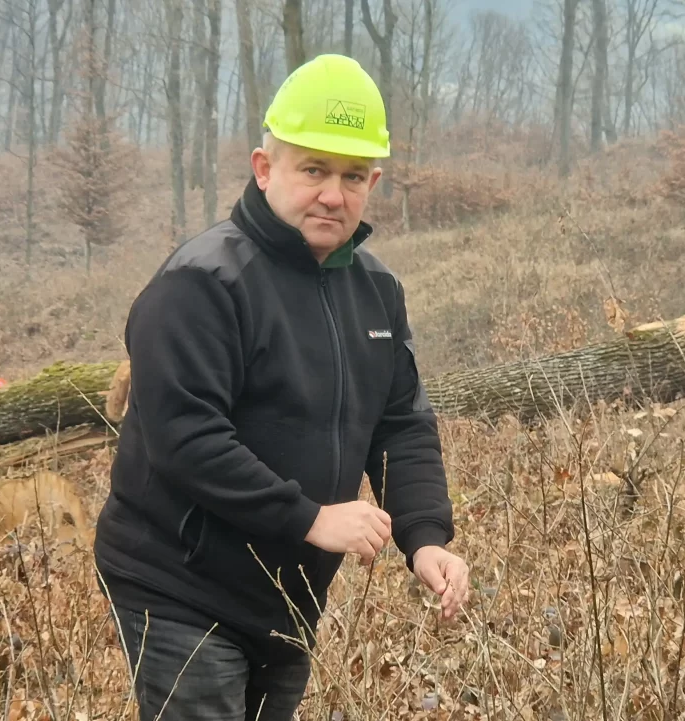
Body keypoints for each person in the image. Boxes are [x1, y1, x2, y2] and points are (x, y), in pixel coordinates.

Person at [93, 53, 469, 721]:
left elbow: (401, 423)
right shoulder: (201, 284)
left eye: (353, 176)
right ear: (265, 169)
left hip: (287, 593)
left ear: (374, 181)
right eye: (314, 169)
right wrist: (314, 518)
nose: (334, 193)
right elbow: (187, 438)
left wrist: (425, 536)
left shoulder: (377, 292)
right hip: (178, 582)